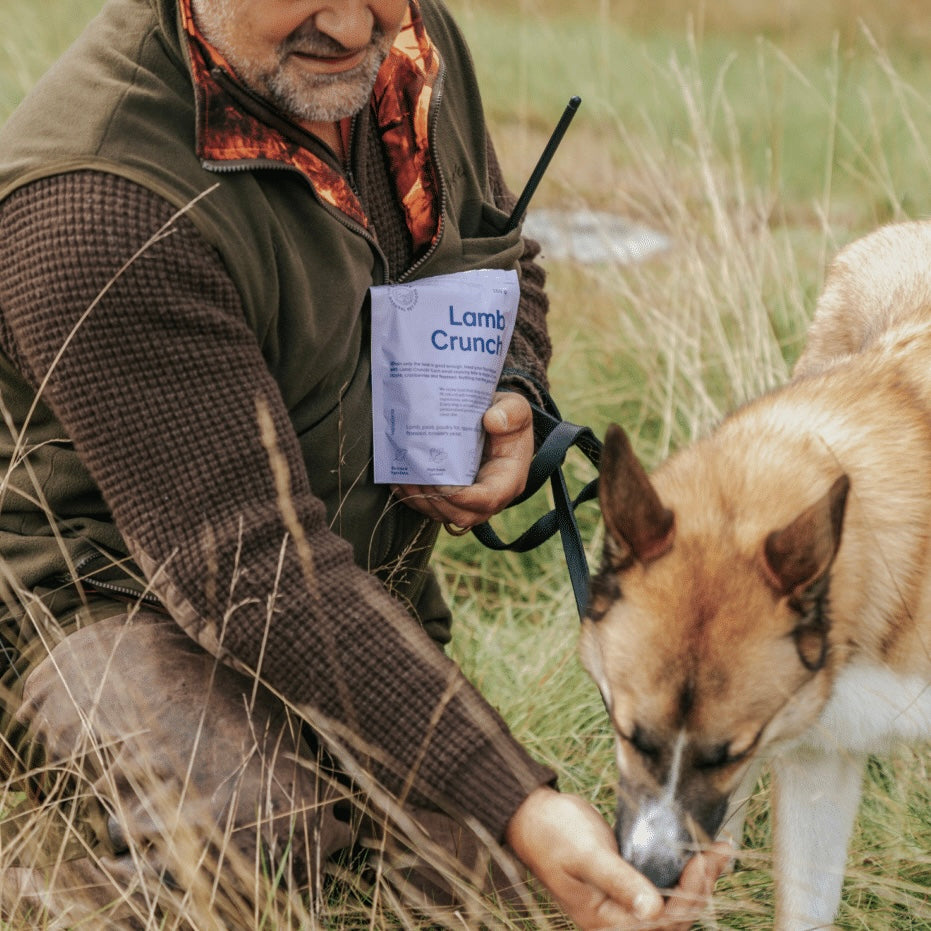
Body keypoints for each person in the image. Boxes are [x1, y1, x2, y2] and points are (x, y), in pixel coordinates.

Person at [0, 0, 730, 927]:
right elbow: (247, 569)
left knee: (497, 895)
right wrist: (518, 799)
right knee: (256, 826)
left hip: (337, 585)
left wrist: (512, 394)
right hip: (102, 604)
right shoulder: (94, 200)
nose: (352, 24)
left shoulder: (411, 45)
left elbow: (500, 259)